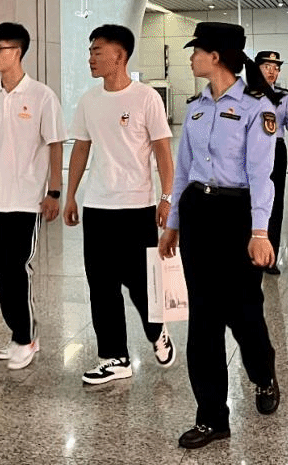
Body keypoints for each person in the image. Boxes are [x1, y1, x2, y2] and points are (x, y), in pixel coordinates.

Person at [159, 22, 282, 450]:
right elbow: (183, 172)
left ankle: (263, 374)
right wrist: (174, 223)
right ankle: (212, 417)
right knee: (204, 317)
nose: (191, 57)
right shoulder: (195, 108)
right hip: (198, 212)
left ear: (216, 57)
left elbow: (262, 175)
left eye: (196, 50)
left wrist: (260, 231)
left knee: (245, 311)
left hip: (237, 214)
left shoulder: (256, 108)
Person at [64, 24, 176, 385]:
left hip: (137, 207)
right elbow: (81, 149)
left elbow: (163, 151)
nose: (91, 58)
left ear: (120, 55)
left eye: (97, 51)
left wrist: (167, 197)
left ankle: (157, 330)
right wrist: (71, 195)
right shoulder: (89, 100)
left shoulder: (146, 98)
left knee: (141, 283)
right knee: (101, 285)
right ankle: (114, 357)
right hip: (98, 207)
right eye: (90, 52)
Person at [0, 23, 66, 370]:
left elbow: (55, 144)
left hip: (28, 199)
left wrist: (54, 191)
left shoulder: (41, 96)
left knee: (18, 269)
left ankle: (27, 338)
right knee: (1, 271)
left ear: (17, 52)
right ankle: (18, 333)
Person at [255, 50, 288, 275]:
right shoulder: (245, 95)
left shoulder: (284, 96)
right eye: (267, 67)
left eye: (276, 68)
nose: (272, 71)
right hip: (253, 150)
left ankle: (270, 257)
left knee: (275, 201)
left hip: (276, 149)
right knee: (251, 199)